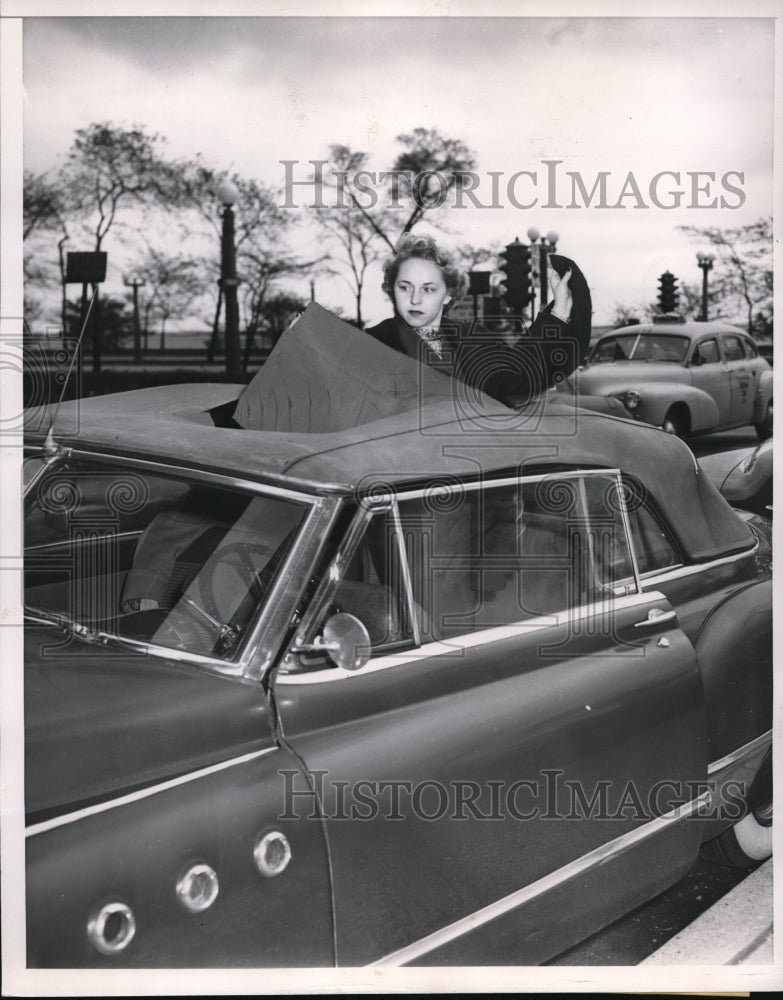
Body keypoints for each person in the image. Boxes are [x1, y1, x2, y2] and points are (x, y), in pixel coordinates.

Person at [365, 233, 590, 407]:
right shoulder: (369, 344)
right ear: (391, 290)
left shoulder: (474, 338)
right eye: (404, 287)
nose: (415, 299)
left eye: (429, 289)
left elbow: (520, 375)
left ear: (448, 294)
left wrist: (559, 312)